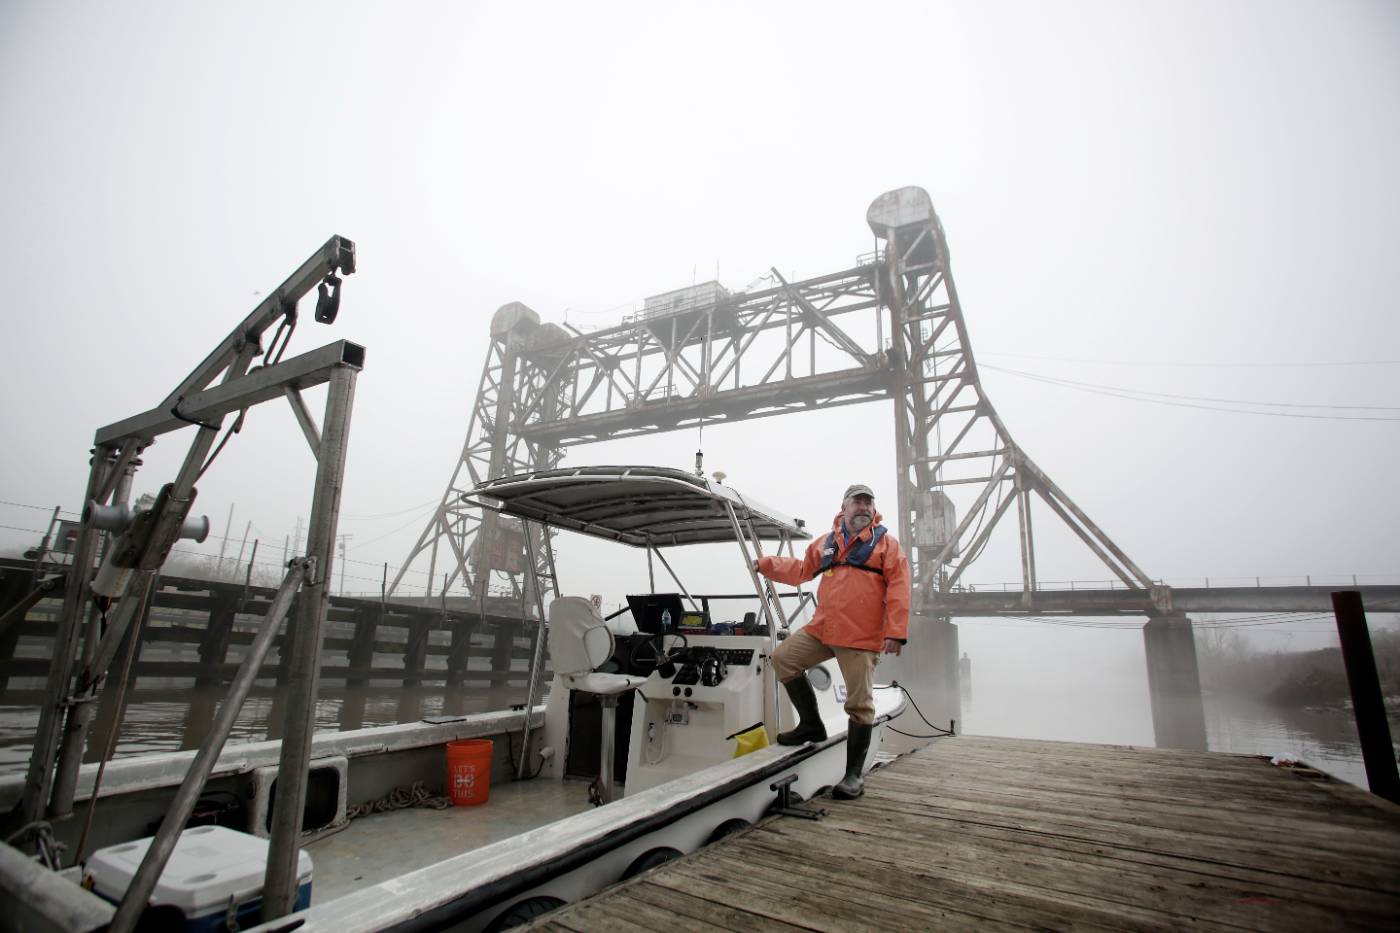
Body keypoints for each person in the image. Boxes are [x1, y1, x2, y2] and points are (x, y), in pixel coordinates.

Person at [754, 483, 910, 799]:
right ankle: (811, 725)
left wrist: (895, 632)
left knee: (859, 705)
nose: (863, 507)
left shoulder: (888, 547)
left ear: (873, 510)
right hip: (824, 627)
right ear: (844, 507)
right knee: (783, 658)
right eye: (857, 502)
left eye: (868, 503)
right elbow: (800, 570)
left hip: (860, 636)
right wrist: (766, 564)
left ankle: (853, 775)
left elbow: (899, 588)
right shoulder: (826, 543)